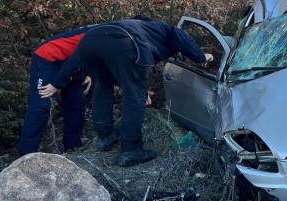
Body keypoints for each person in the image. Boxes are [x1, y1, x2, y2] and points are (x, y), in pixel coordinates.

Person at [72, 18, 213, 167]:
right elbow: (185, 42)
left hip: (88, 42)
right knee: (134, 97)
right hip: (123, 43)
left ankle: (105, 137)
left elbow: (120, 70)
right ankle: (131, 151)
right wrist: (202, 56)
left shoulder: (139, 27)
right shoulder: (168, 30)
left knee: (102, 88)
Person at [18, 25, 97, 155]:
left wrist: (88, 73)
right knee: (42, 104)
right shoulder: (103, 32)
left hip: (71, 62)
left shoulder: (113, 33)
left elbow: (91, 55)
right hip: (49, 57)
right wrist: (56, 84)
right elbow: (79, 56)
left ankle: (73, 149)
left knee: (76, 104)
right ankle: (26, 155)